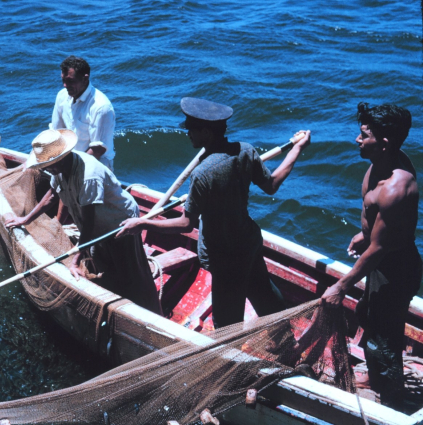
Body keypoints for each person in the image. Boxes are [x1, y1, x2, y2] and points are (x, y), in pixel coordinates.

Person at [117, 98, 310, 328]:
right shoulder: (245, 151)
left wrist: (142, 224)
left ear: (207, 133)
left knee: (227, 323)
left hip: (225, 257)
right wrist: (297, 149)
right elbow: (271, 185)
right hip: (248, 242)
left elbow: (186, 224)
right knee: (264, 293)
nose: (185, 129)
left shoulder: (202, 174)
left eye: (190, 126)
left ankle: (233, 356)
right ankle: (284, 337)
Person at [321, 102, 421, 409]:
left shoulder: (395, 187)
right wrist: (364, 234)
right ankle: (381, 378)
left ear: (385, 142)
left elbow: (379, 248)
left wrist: (340, 286)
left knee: (382, 336)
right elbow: (376, 232)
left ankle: (391, 397)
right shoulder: (380, 161)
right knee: (367, 314)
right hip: (382, 261)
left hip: (396, 269)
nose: (356, 139)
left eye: (364, 135)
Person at [5, 129, 162, 315]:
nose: (46, 170)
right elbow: (52, 195)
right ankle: (118, 301)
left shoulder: (89, 176)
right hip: (97, 226)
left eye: (48, 166)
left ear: (60, 159)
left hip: (120, 223)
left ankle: (151, 311)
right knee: (105, 265)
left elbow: (90, 224)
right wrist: (25, 219)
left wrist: (76, 260)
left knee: (133, 273)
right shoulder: (59, 169)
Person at [50, 55, 116, 171]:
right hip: (70, 160)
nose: (65, 85)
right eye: (63, 80)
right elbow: (56, 133)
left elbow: (97, 150)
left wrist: (69, 169)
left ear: (85, 79)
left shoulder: (101, 107)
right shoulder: (62, 96)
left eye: (70, 81)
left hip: (97, 165)